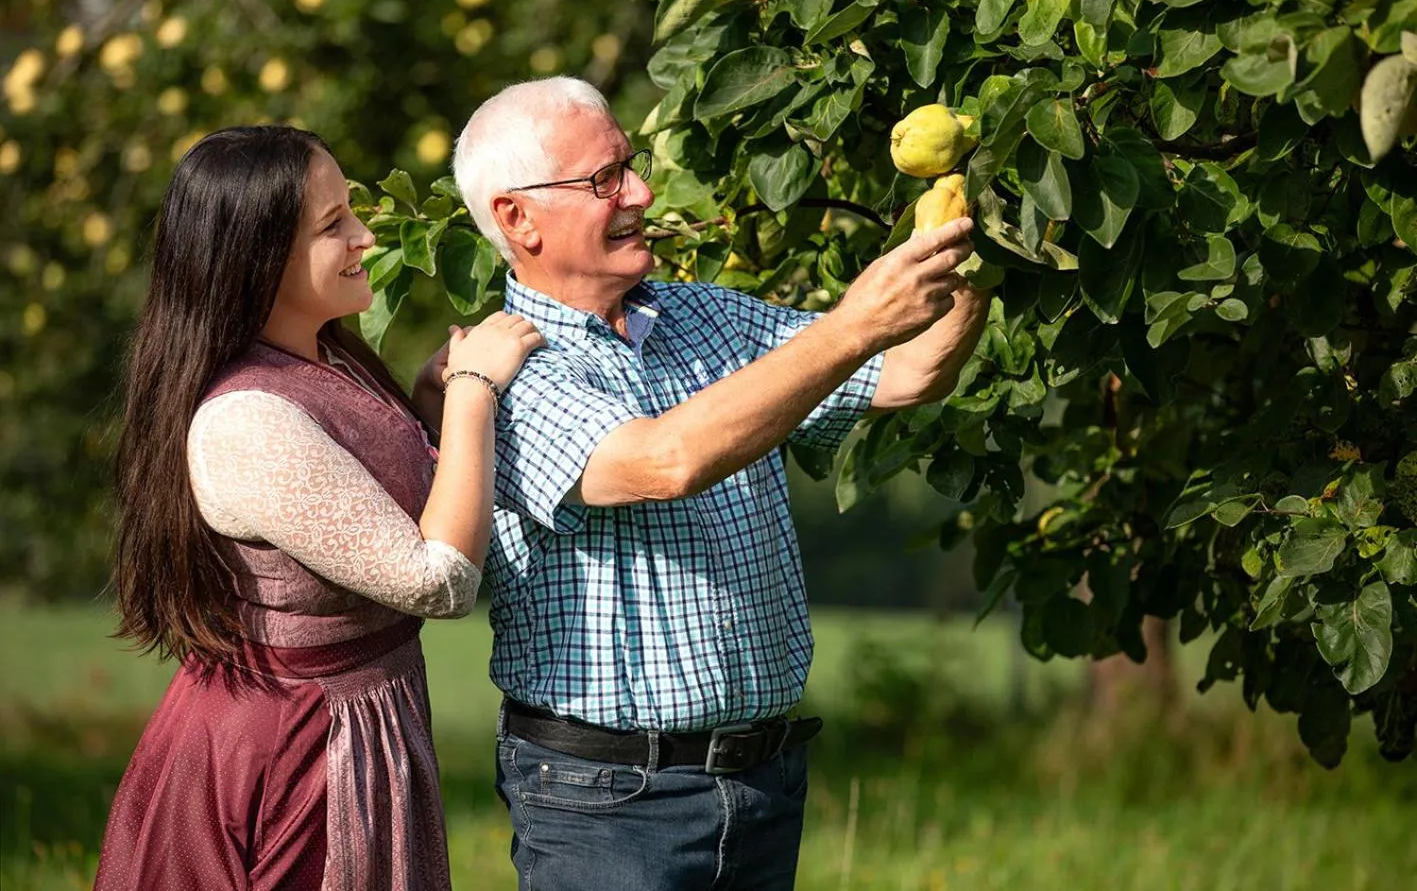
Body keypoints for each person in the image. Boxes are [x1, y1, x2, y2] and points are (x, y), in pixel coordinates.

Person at [451, 77, 990, 890]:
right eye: (604, 179)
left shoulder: (708, 317)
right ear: (516, 218)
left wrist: (974, 238)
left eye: (629, 165)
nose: (639, 191)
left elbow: (907, 369)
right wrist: (850, 324)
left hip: (762, 781)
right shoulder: (505, 370)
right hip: (608, 802)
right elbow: (659, 462)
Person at [94, 125, 543, 890]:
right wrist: (474, 395)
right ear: (258, 256)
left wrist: (431, 408)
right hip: (291, 751)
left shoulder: (327, 358)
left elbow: (387, 504)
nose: (366, 236)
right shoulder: (246, 420)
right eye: (333, 224)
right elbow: (437, 579)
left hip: (356, 725)